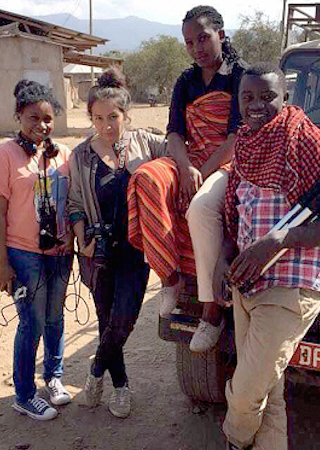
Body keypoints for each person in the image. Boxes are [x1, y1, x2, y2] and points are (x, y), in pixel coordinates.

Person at [220, 63, 320, 450]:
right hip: (247, 285)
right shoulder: (245, 143)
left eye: (267, 96)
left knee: (244, 394)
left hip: (292, 287)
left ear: (286, 98)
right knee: (266, 394)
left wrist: (278, 240)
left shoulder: (308, 142)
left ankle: (233, 440)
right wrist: (222, 259)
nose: (257, 105)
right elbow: (236, 213)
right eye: (248, 97)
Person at [126, 5, 247, 352]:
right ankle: (170, 276)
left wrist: (200, 174)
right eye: (190, 42)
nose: (198, 48)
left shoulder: (240, 76)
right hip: (189, 160)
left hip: (227, 163)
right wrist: (183, 169)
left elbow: (236, 137)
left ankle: (211, 312)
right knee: (146, 178)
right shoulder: (186, 80)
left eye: (203, 38)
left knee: (202, 206)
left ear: (220, 35)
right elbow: (175, 133)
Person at [67, 67, 167, 418]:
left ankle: (95, 371)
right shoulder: (80, 156)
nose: (107, 125)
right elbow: (75, 205)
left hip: (135, 250)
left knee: (124, 320)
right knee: (107, 319)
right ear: (90, 118)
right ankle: (120, 387)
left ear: (127, 115)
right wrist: (84, 242)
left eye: (113, 117)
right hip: (99, 252)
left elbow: (179, 157)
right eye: (98, 118)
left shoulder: (146, 143)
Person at [0, 80, 74, 420]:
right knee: (31, 323)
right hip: (23, 254)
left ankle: (54, 378)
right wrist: (2, 264)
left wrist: (72, 238)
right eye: (33, 117)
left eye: (48, 118)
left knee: (55, 319)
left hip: (60, 252)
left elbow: (73, 203)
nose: (42, 125)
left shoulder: (63, 155)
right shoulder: (3, 156)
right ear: (19, 116)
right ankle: (23, 394)